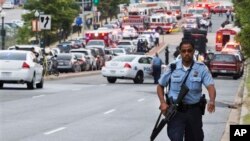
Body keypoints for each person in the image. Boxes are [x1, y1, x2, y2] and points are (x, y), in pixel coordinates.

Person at [156, 40, 216, 141]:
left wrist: (212, 100)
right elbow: (160, 86)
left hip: (194, 111)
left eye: (189, 50)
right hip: (175, 112)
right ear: (180, 52)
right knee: (175, 138)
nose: (186, 53)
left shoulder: (201, 68)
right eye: (183, 51)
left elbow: (210, 86)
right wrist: (162, 102)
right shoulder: (173, 67)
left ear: (193, 52)